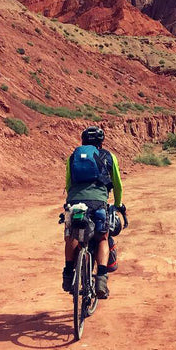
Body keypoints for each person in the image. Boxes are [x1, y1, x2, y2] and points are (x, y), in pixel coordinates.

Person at [63, 126, 124, 299]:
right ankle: (101, 280)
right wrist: (118, 204)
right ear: (101, 142)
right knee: (102, 237)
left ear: (83, 141)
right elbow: (117, 184)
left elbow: (68, 183)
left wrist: (72, 200)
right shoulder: (109, 157)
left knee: (72, 236)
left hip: (74, 202)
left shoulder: (73, 157)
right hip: (98, 202)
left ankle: (68, 274)